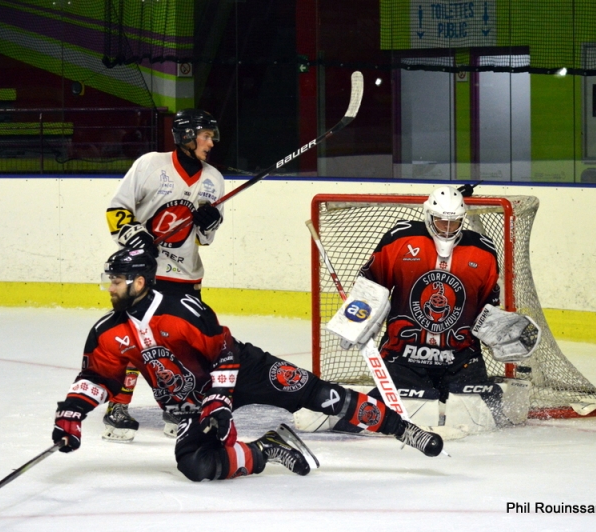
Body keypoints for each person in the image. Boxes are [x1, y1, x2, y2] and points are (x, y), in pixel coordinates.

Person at [51, 249, 443, 483]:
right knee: (196, 465)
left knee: (319, 394)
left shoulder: (184, 310)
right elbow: (97, 377)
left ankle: (402, 429)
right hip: (194, 404)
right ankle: (267, 449)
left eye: (116, 280)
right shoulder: (107, 331)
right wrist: (71, 414)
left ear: (139, 281)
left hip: (244, 370)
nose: (110, 287)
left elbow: (225, 354)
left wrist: (220, 399)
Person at [306, 185, 538, 436]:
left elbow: (487, 307)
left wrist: (500, 329)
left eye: (455, 223)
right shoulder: (400, 239)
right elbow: (370, 287)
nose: (448, 229)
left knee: (483, 419)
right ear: (428, 216)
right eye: (441, 222)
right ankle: (337, 409)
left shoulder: (482, 250)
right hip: (403, 355)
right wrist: (354, 320)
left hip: (460, 357)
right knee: (404, 412)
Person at [103, 109, 228, 441]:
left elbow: (206, 239)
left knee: (184, 347)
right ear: (186, 136)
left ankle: (178, 403)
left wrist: (208, 222)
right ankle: (117, 405)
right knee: (132, 340)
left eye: (212, 136)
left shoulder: (214, 179)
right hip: (147, 274)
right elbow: (116, 210)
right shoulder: (150, 165)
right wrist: (134, 235)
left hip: (186, 276)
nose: (211, 142)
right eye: (205, 135)